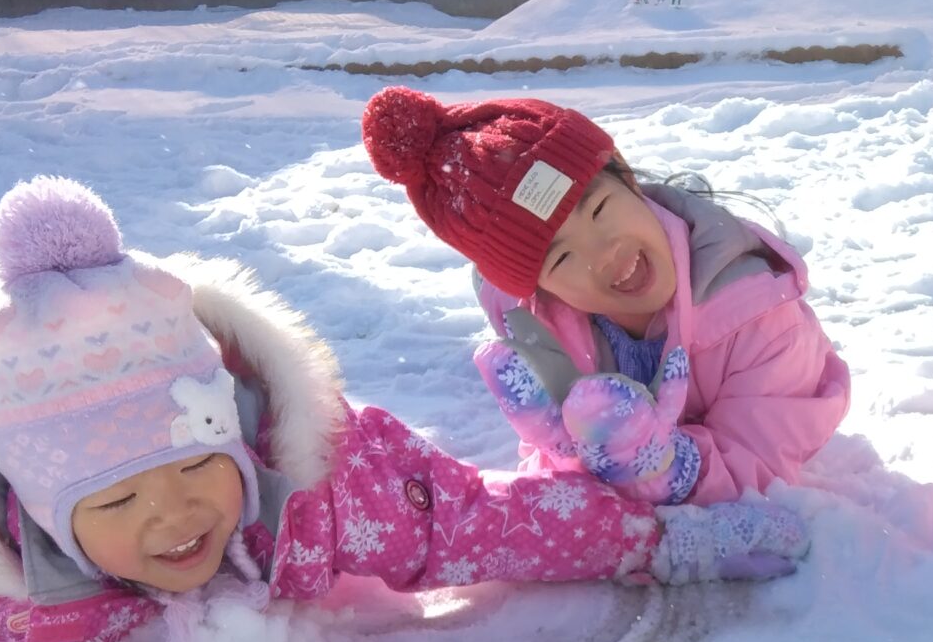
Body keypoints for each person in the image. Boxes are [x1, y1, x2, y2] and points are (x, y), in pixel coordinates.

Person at [0, 178, 807, 642]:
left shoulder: (333, 496)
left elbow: (493, 525)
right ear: (48, 515)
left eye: (194, 469)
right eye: (118, 502)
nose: (174, 514)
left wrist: (676, 541)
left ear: (234, 438)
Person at [359, 88, 851, 506]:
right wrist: (562, 440)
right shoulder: (540, 328)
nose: (604, 254)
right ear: (539, 288)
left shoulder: (760, 317)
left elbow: (757, 465)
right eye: (562, 258)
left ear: (627, 178)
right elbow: (566, 491)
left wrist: (668, 469)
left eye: (597, 210)